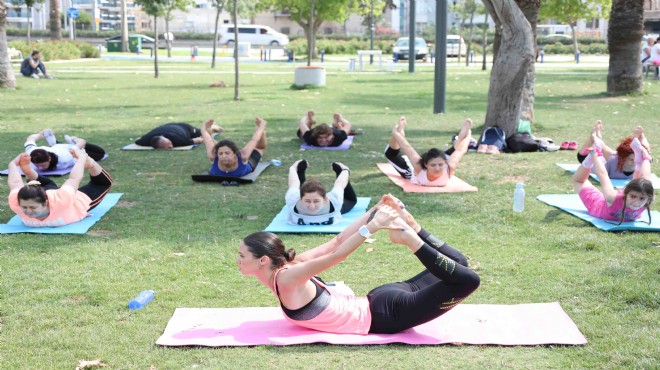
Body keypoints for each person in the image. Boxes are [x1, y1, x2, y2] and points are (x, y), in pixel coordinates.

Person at [236, 194, 480, 334]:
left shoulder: (287, 278)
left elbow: (337, 253)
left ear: (263, 261)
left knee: (468, 279)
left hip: (389, 314)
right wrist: (375, 213)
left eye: (242, 256)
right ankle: (414, 229)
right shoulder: (290, 266)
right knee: (459, 266)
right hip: (383, 301)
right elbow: (337, 243)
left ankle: (411, 236)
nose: (237, 261)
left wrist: (373, 219)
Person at [7, 147, 113, 227]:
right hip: (47, 192)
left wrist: (81, 159)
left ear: (46, 203)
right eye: (24, 207)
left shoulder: (62, 199)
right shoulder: (17, 202)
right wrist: (12, 164)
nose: (28, 211)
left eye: (32, 207)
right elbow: (15, 182)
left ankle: (91, 164)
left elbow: (74, 178)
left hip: (69, 201)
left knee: (103, 183)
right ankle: (29, 171)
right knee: (49, 186)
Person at [572, 131, 654, 224]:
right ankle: (591, 156)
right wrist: (595, 156)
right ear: (625, 193)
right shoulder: (612, 197)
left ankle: (643, 158)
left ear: (648, 198)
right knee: (579, 180)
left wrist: (645, 154)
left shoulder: (648, 198)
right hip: (596, 203)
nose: (637, 202)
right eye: (633, 197)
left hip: (631, 192)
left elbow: (645, 177)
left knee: (644, 183)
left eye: (642, 198)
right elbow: (603, 174)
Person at [385, 117, 472, 187]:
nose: (437, 168)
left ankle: (460, 138)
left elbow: (461, 150)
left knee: (456, 149)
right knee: (390, 154)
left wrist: (468, 135)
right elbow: (407, 148)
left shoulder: (449, 167)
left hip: (437, 161)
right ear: (426, 164)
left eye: (441, 165)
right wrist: (396, 134)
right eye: (433, 165)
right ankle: (398, 136)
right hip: (411, 171)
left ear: (445, 163)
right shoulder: (419, 168)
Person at [285, 160, 357, 225]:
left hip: (332, 206)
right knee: (302, 189)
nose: (312, 206)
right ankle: (300, 171)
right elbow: (294, 183)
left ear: (325, 199)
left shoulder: (335, 201)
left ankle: (339, 172)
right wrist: (293, 168)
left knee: (351, 200)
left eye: (316, 201)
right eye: (307, 201)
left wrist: (345, 170)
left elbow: (340, 184)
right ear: (300, 199)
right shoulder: (292, 200)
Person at [577, 121, 652, 180]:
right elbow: (601, 146)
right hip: (598, 161)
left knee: (644, 155)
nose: (634, 161)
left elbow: (647, 153)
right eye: (631, 159)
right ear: (623, 158)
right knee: (582, 157)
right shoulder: (614, 157)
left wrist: (642, 140)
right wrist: (596, 139)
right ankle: (593, 137)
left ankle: (638, 140)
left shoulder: (643, 161)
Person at [202, 117, 267, 177]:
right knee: (214, 143)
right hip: (221, 149)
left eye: (227, 153)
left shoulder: (243, 156)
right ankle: (209, 129)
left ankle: (261, 131)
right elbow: (208, 140)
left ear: (235, 153)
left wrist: (261, 127)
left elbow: (254, 140)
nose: (223, 156)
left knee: (260, 147)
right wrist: (204, 127)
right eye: (220, 154)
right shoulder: (213, 156)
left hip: (247, 163)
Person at [24, 129, 106, 172]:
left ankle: (72, 140)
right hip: (56, 148)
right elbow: (30, 138)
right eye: (37, 165)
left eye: (43, 165)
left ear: (49, 159)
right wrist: (40, 134)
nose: (40, 168)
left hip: (69, 148)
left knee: (100, 153)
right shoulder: (31, 152)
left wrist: (76, 141)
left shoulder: (66, 158)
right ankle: (54, 143)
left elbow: (82, 142)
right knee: (57, 146)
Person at [135, 122, 222, 149]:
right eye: (169, 147)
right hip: (167, 126)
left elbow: (199, 140)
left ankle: (213, 126)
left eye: (170, 144)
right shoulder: (144, 141)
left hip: (185, 128)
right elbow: (139, 140)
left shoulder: (180, 141)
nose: (172, 147)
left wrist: (202, 138)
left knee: (204, 132)